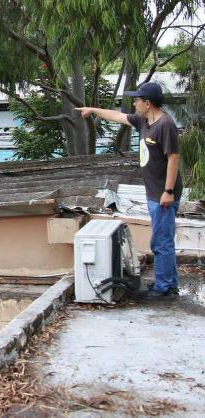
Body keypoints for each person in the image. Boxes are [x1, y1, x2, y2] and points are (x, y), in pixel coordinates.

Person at [76, 82, 182, 299]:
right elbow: (118, 117)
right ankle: (168, 283)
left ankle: (165, 290)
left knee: (162, 242)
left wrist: (168, 191)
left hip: (163, 193)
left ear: (148, 103)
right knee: (162, 239)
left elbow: (173, 158)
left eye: (137, 99)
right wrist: (93, 110)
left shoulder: (165, 125)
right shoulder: (144, 120)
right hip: (154, 192)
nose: (134, 103)